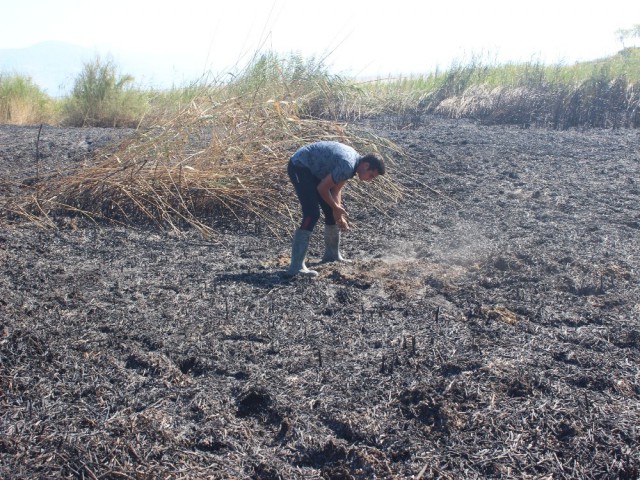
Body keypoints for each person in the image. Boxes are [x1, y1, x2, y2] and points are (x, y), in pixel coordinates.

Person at [285, 140, 385, 277]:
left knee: (330, 211)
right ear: (366, 165)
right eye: (371, 175)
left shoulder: (353, 164)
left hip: (313, 170)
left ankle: (331, 255)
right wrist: (336, 208)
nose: (370, 180)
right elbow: (322, 188)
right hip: (299, 165)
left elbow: (336, 189)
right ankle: (295, 267)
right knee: (312, 213)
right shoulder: (348, 165)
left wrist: (338, 214)